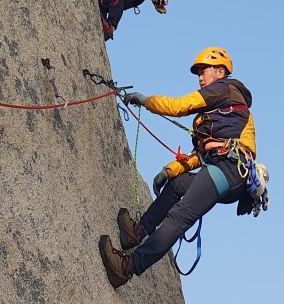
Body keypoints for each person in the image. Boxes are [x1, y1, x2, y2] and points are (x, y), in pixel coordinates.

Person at [99, 46, 264, 288]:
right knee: (178, 186)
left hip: (227, 169)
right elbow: (203, 154)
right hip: (228, 172)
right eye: (198, 72)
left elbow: (179, 106)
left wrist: (146, 101)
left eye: (203, 70)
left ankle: (127, 268)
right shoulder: (225, 111)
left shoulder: (225, 89)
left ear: (220, 71)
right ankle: (137, 230)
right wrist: (170, 171)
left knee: (179, 216)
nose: (200, 77)